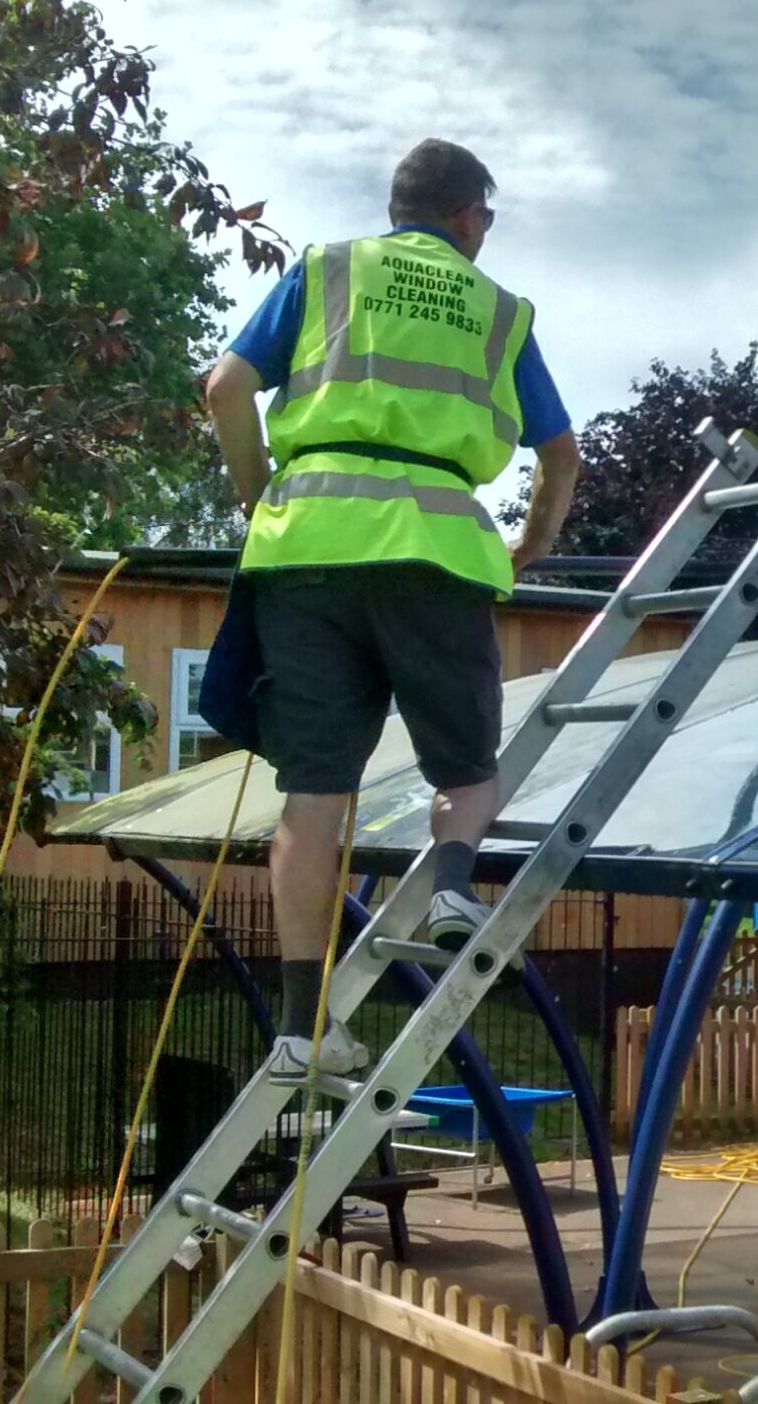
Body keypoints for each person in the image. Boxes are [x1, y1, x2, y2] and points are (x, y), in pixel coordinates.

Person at [203, 139, 582, 1077]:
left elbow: (224, 389)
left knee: (313, 792)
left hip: (308, 549)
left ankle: (299, 1029)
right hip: (436, 549)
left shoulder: (327, 270)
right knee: (468, 761)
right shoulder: (499, 311)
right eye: (486, 219)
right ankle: (453, 887)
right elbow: (562, 455)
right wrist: (528, 544)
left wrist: (260, 497)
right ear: (467, 214)